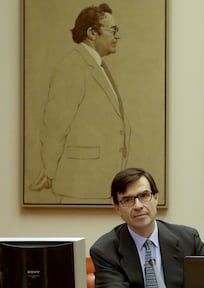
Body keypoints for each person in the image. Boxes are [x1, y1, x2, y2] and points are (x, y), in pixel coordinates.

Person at [30, 3, 131, 203]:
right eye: (113, 30)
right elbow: (55, 125)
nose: (117, 36)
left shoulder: (96, 65)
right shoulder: (73, 66)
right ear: (92, 33)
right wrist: (50, 170)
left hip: (98, 183)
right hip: (79, 186)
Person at [90, 167, 204, 288]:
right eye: (127, 200)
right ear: (117, 207)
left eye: (144, 195)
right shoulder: (104, 250)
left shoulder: (189, 239)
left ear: (156, 197)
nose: (138, 206)